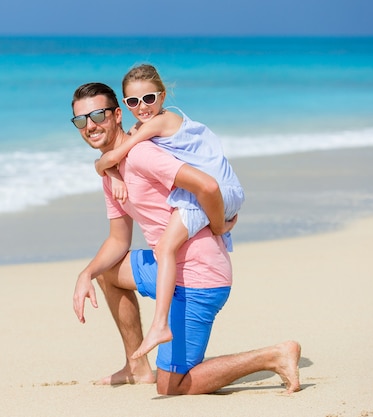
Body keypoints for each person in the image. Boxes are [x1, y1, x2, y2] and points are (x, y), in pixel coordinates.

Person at [70, 82, 301, 395]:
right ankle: (136, 367)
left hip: (199, 276)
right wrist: (86, 274)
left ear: (117, 115)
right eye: (81, 120)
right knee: (108, 272)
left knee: (172, 387)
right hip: (168, 269)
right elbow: (118, 241)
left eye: (98, 115)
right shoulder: (112, 173)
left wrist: (219, 225)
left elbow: (206, 184)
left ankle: (273, 356)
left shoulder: (141, 156)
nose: (90, 126)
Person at [94, 64, 245, 360]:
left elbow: (113, 155)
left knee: (164, 247)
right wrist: (112, 175)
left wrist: (217, 227)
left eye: (149, 98)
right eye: (133, 101)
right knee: (119, 267)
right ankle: (137, 365)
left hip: (219, 189)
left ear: (162, 97)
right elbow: (109, 161)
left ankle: (160, 324)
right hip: (209, 189)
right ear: (124, 106)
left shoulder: (161, 122)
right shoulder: (142, 128)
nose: (142, 107)